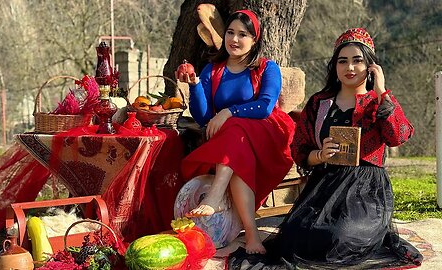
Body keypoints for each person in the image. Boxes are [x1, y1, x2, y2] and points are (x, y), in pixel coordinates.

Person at [262, 28, 423, 267]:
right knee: (299, 236)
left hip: (366, 188)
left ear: (370, 66)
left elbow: (398, 135)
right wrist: (319, 155)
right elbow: (299, 148)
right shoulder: (319, 102)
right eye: (343, 61)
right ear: (335, 67)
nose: (350, 68)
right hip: (325, 182)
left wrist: (381, 91)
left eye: (357, 61)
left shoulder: (378, 101)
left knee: (342, 238)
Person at [176, 10, 295, 254]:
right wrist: (195, 85)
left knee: (235, 129)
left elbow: (264, 106)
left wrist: (229, 112)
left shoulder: (265, 68)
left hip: (269, 134)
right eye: (231, 32)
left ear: (254, 40)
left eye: (243, 34)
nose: (235, 39)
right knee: (238, 150)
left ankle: (215, 196)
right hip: (235, 144)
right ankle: (252, 238)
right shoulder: (213, 70)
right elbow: (204, 117)